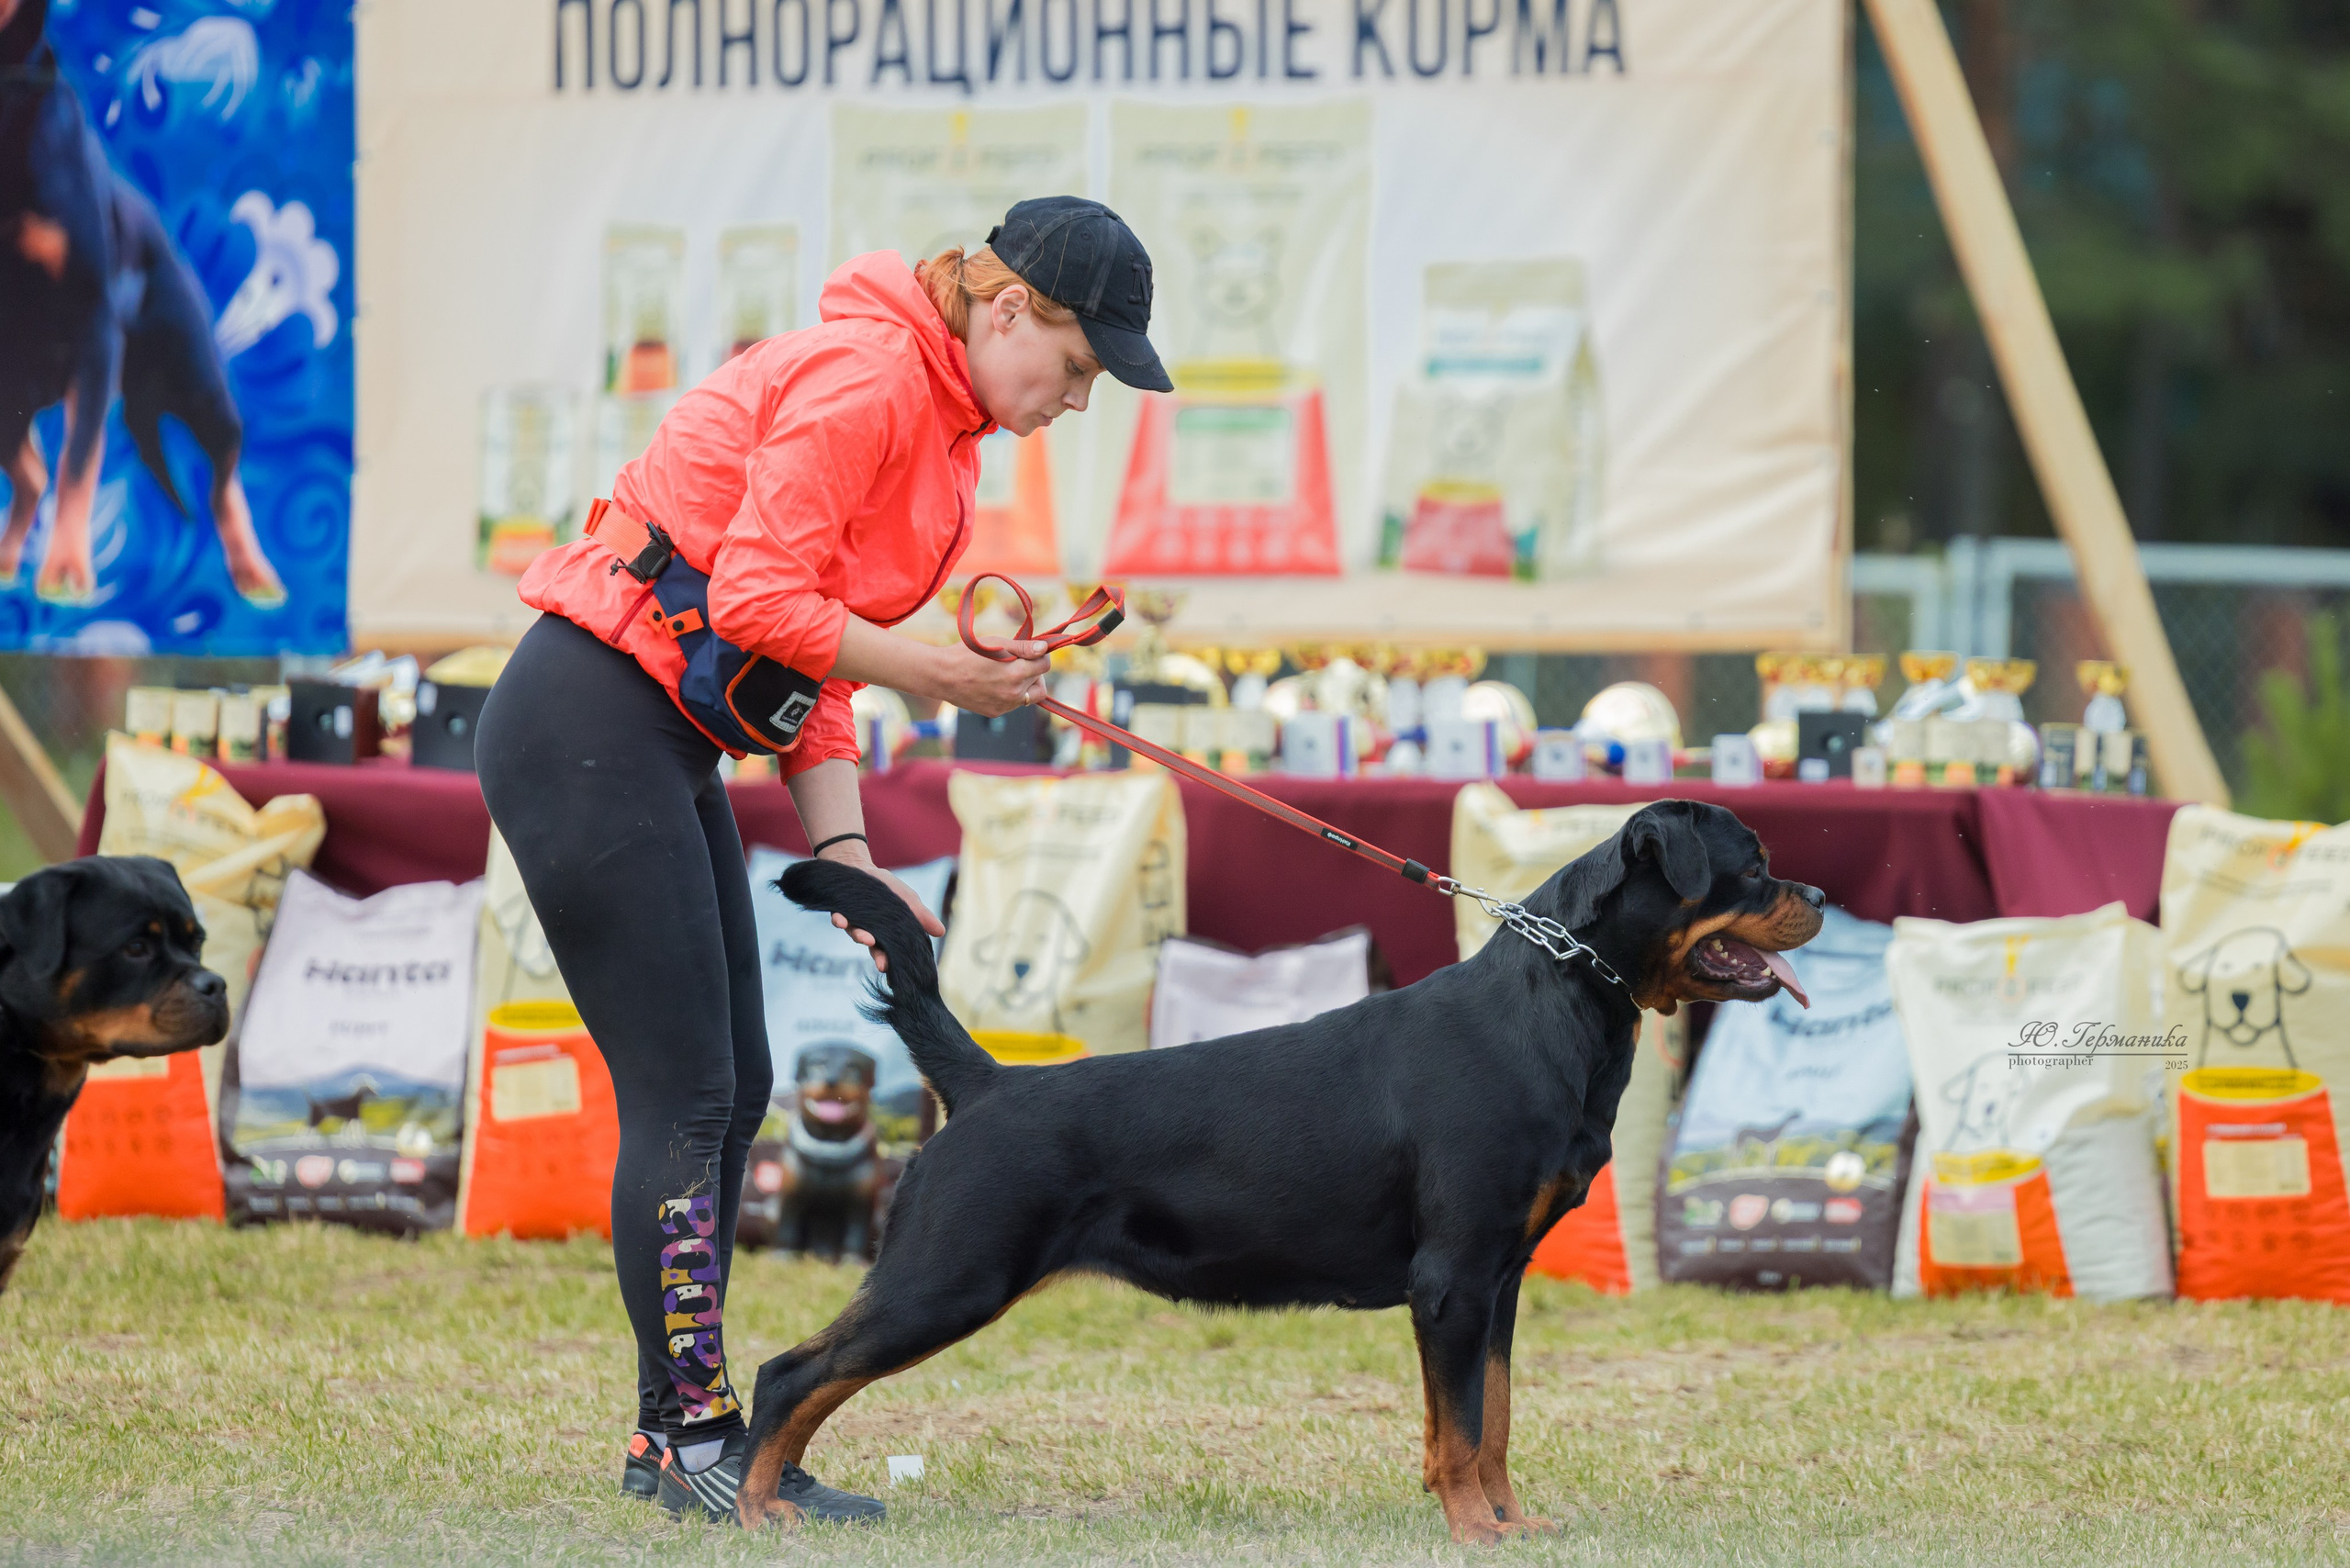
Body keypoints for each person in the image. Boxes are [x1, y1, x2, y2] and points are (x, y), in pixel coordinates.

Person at [475, 197, 1170, 1528]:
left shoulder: (948, 436)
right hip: (585, 721)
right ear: (1007, 306)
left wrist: (850, 864)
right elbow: (752, 602)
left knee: (732, 1095)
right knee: (685, 1097)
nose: (1078, 402)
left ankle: (676, 1438)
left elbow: (809, 660)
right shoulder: (868, 380)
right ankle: (689, 1446)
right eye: (1079, 368)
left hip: (651, 740)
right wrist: (944, 671)